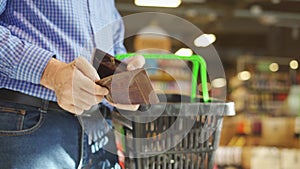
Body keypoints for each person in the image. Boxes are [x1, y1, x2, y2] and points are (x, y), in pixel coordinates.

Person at [0, 1, 145, 168]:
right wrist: (50, 73)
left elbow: (115, 46)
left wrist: (124, 71)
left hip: (100, 131)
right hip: (30, 121)